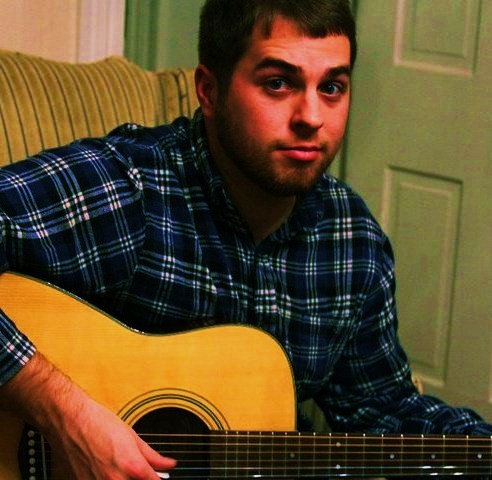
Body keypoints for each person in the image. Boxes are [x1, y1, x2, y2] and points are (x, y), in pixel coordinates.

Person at [0, 0, 490, 478]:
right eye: (278, 83)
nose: (311, 117)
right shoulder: (129, 190)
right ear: (209, 91)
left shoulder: (351, 239)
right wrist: (65, 415)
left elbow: (381, 409)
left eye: (332, 87)